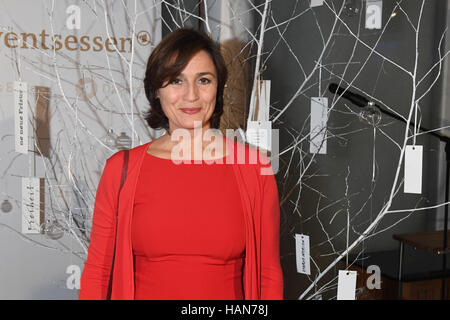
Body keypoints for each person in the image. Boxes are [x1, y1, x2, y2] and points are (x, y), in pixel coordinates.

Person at [78, 28, 283, 300]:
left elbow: (267, 275)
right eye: (176, 81)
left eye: (204, 80)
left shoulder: (253, 168)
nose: (191, 95)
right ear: (156, 91)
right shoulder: (121, 170)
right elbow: (98, 271)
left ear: (219, 88)